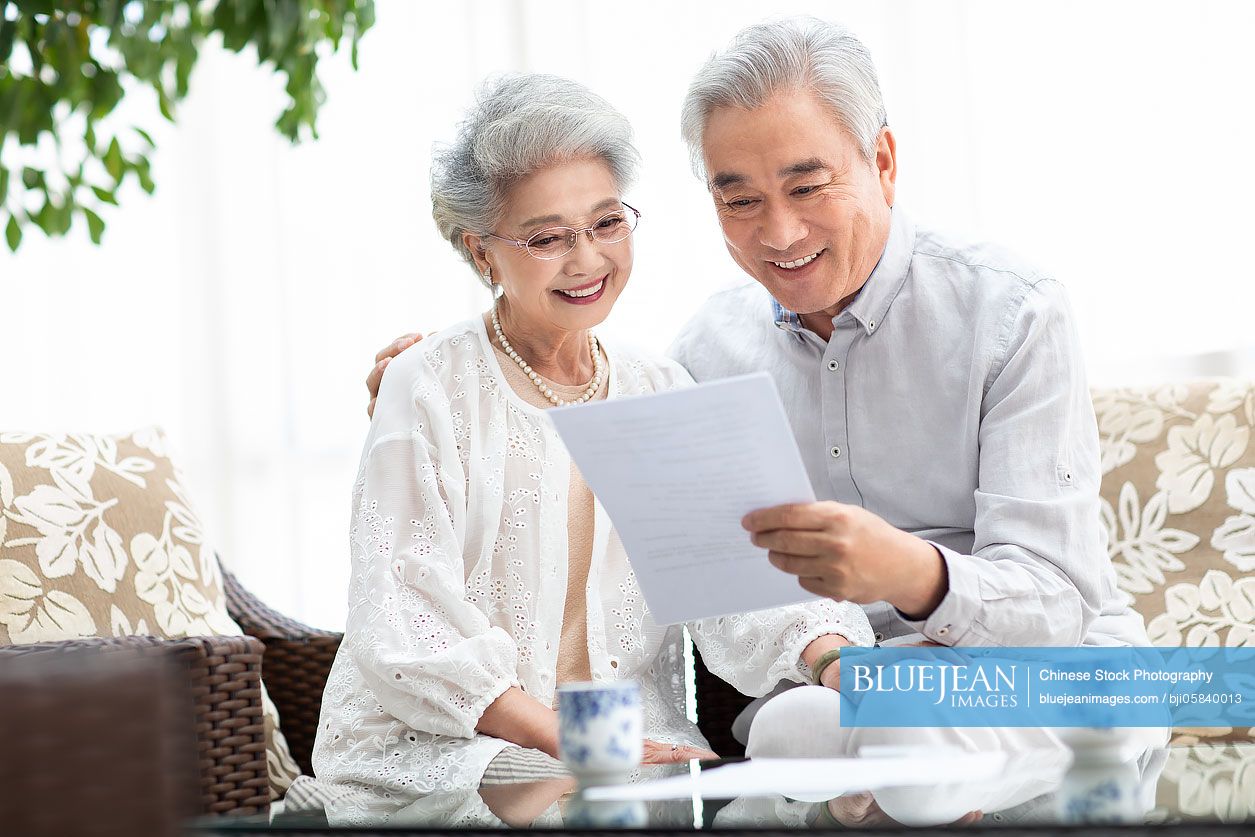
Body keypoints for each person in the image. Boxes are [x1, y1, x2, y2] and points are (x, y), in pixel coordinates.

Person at [367, 17, 1148, 651]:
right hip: (830, 693)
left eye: (807, 186)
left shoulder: (1011, 314)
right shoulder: (702, 356)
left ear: (881, 160)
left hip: (1033, 674)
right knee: (798, 737)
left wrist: (910, 572)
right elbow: (596, 479)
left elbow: (1059, 604)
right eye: (737, 200)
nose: (778, 232)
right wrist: (443, 385)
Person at [310, 73, 872, 798]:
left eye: (607, 223)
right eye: (547, 237)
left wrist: (840, 665)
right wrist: (567, 744)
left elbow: (743, 582)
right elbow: (406, 615)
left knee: (815, 777)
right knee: (549, 793)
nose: (587, 259)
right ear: (481, 251)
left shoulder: (659, 386)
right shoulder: (425, 382)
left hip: (626, 745)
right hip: (451, 742)